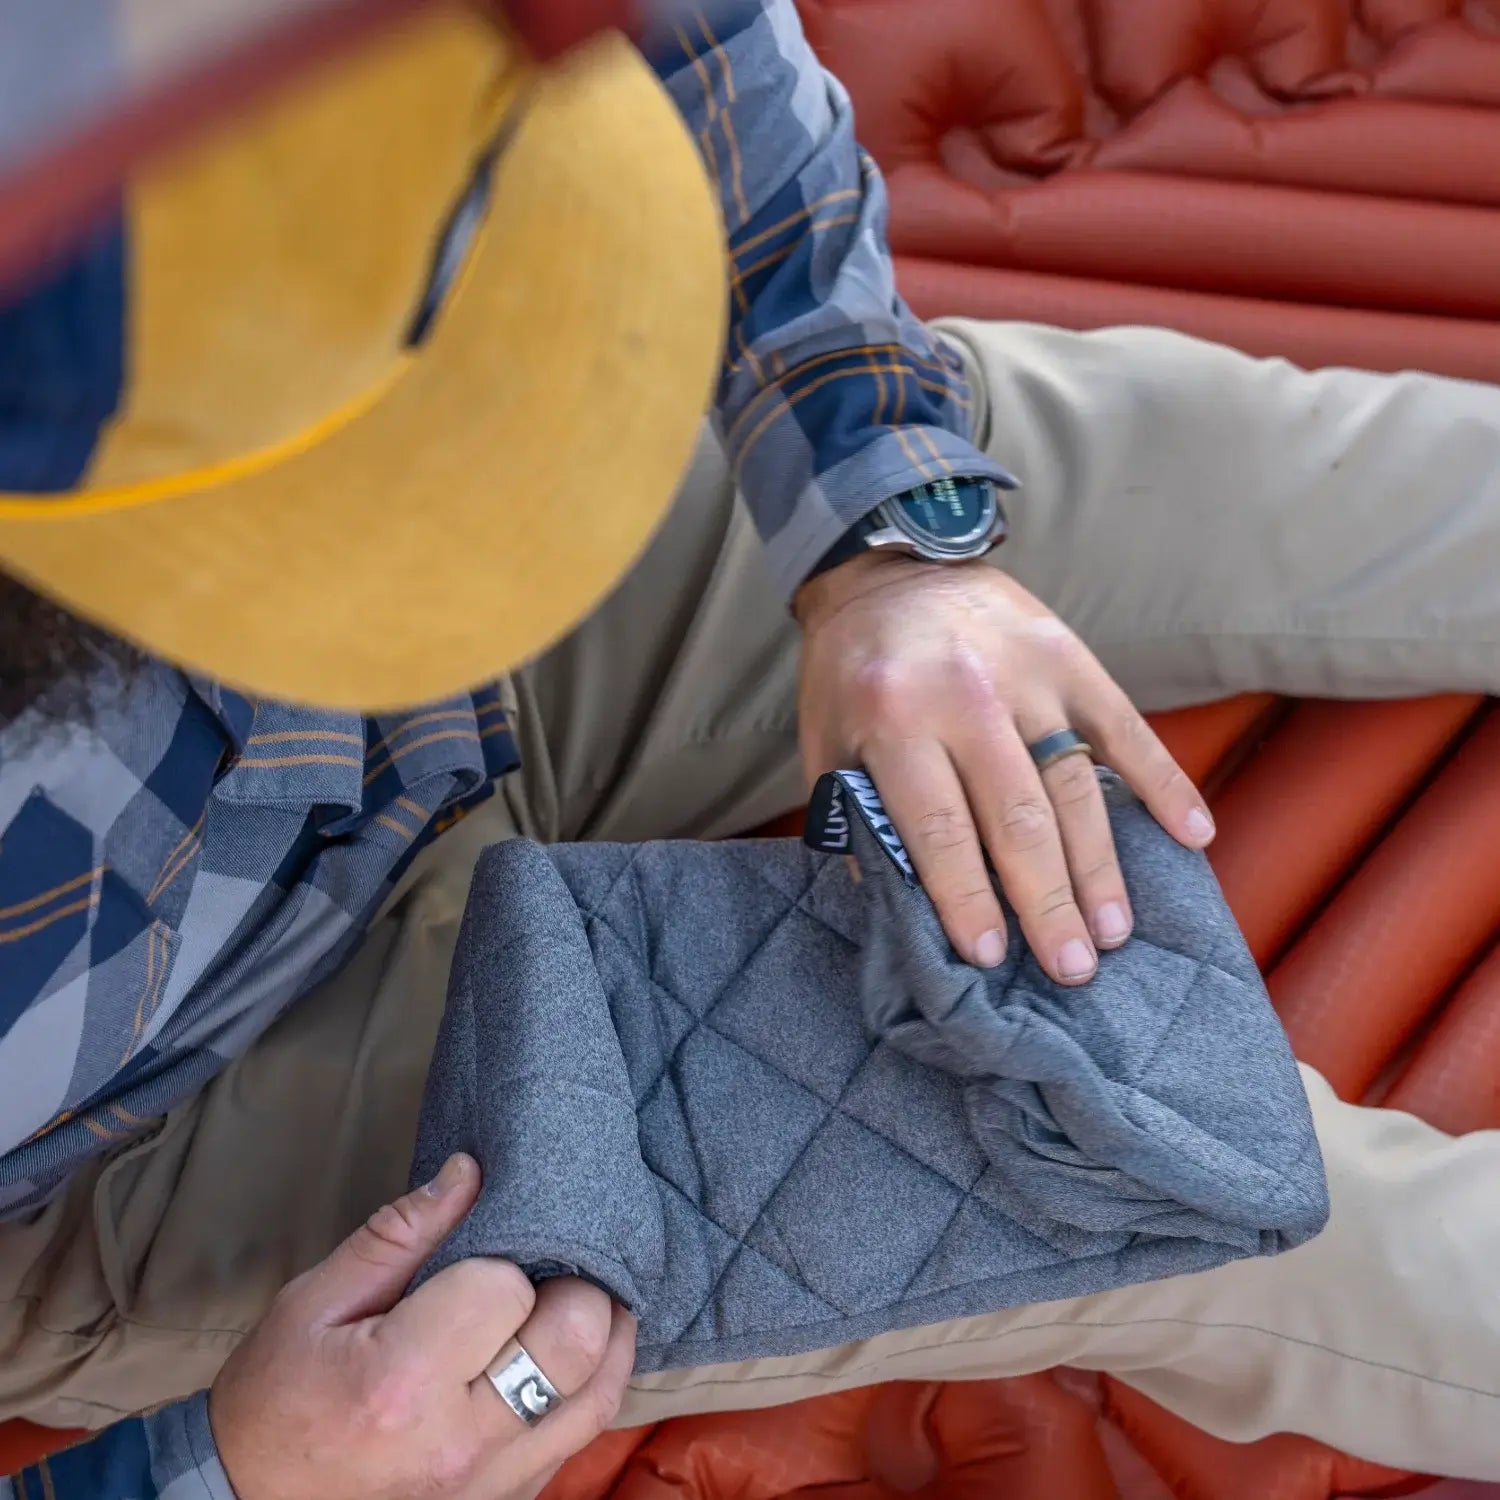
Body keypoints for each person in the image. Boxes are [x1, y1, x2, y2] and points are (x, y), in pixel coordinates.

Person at [1, 1, 1499, 1496]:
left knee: (1241, 473)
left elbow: (687, 32)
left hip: (391, 581)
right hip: (143, 1117)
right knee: (1162, 1179)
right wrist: (228, 1470)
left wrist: (887, 533)